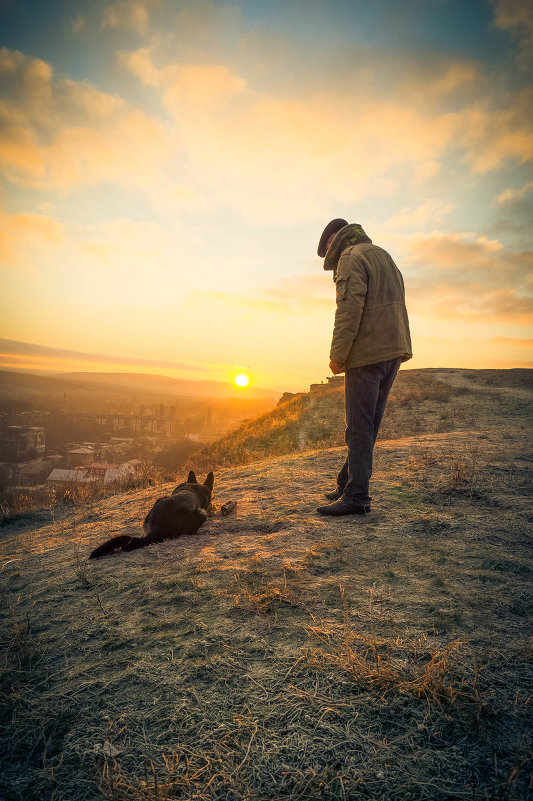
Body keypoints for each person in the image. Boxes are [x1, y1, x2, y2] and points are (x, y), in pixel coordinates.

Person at [316, 219, 412, 516]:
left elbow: (348, 307)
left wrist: (338, 355)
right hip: (392, 350)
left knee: (359, 427)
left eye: (328, 248)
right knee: (368, 426)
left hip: (367, 353)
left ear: (334, 241)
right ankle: (348, 484)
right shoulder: (383, 254)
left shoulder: (350, 257)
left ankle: (356, 498)